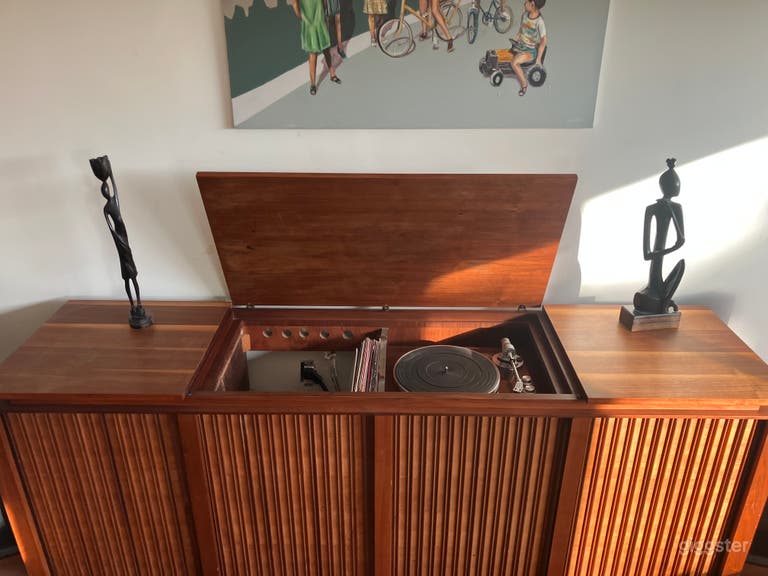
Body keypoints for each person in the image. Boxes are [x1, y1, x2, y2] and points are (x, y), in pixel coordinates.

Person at [633, 158, 686, 315]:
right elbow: (647, 254)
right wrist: (670, 248)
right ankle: (656, 293)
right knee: (648, 295)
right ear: (666, 186)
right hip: (654, 277)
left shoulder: (676, 208)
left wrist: (674, 246)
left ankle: (658, 295)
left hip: (657, 279)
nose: (678, 188)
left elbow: (681, 239)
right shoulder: (652, 209)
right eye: (676, 185)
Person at [293, 0, 342, 94]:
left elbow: (324, 2)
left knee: (326, 49)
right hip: (309, 24)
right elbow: (295, 4)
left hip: (320, 20)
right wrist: (302, 18)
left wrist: (322, 14)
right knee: (313, 53)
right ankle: (313, 84)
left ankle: (332, 74)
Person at [510, 0, 546, 95]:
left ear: (532, 4)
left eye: (526, 2)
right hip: (521, 46)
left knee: (514, 63)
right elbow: (521, 30)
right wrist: (515, 39)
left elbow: (543, 41)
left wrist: (538, 59)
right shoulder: (524, 15)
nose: (524, 3)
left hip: (530, 51)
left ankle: (524, 85)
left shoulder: (539, 22)